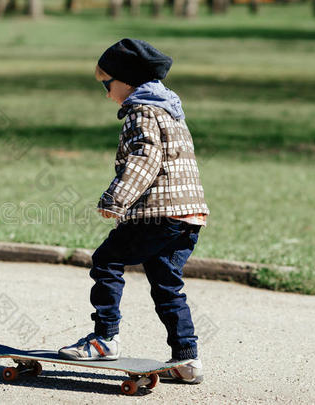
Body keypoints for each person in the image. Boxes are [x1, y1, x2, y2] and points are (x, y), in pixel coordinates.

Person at [57, 38, 210, 384]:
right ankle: (187, 359)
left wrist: (116, 198)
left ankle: (104, 339)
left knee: (107, 260)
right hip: (188, 216)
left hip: (158, 214)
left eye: (107, 84)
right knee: (167, 284)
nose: (106, 92)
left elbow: (145, 158)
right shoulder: (171, 110)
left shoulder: (142, 112)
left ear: (127, 81)